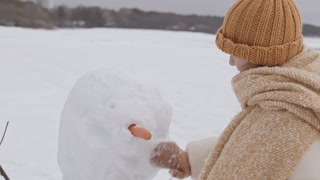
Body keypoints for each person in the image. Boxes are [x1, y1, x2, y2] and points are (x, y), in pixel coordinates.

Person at [150, 0, 320, 179]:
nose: (230, 61)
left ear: (256, 54)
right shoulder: (304, 88)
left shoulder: (282, 118)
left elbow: (262, 151)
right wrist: (189, 159)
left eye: (235, 52)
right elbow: (253, 149)